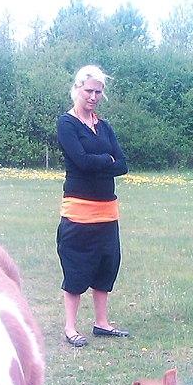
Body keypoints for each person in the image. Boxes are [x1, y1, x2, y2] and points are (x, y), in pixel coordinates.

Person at [56, 65, 129, 347]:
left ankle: (102, 323)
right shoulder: (67, 124)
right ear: (77, 89)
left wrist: (100, 161)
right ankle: (71, 327)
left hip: (107, 213)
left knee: (106, 266)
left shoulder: (104, 126)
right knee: (76, 268)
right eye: (89, 91)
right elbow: (81, 161)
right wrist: (105, 160)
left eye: (99, 92)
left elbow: (122, 164)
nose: (94, 96)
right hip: (78, 212)